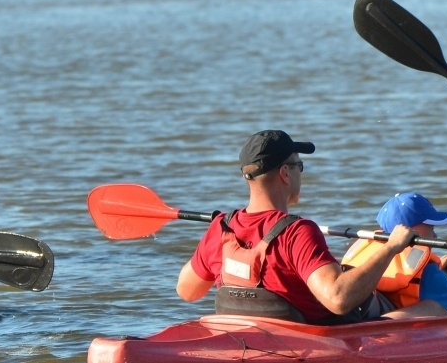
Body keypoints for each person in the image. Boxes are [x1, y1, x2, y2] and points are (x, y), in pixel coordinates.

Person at [176, 130, 414, 325]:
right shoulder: (297, 232)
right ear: (284, 173)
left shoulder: (221, 227)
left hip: (246, 336)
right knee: (424, 306)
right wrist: (391, 247)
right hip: (312, 340)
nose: (301, 173)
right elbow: (338, 298)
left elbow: (187, 291)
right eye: (299, 166)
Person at [341, 192, 447, 317]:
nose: (435, 235)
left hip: (372, 313)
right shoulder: (429, 273)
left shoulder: (374, 250)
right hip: (395, 324)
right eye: (431, 228)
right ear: (411, 231)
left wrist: (437, 269)